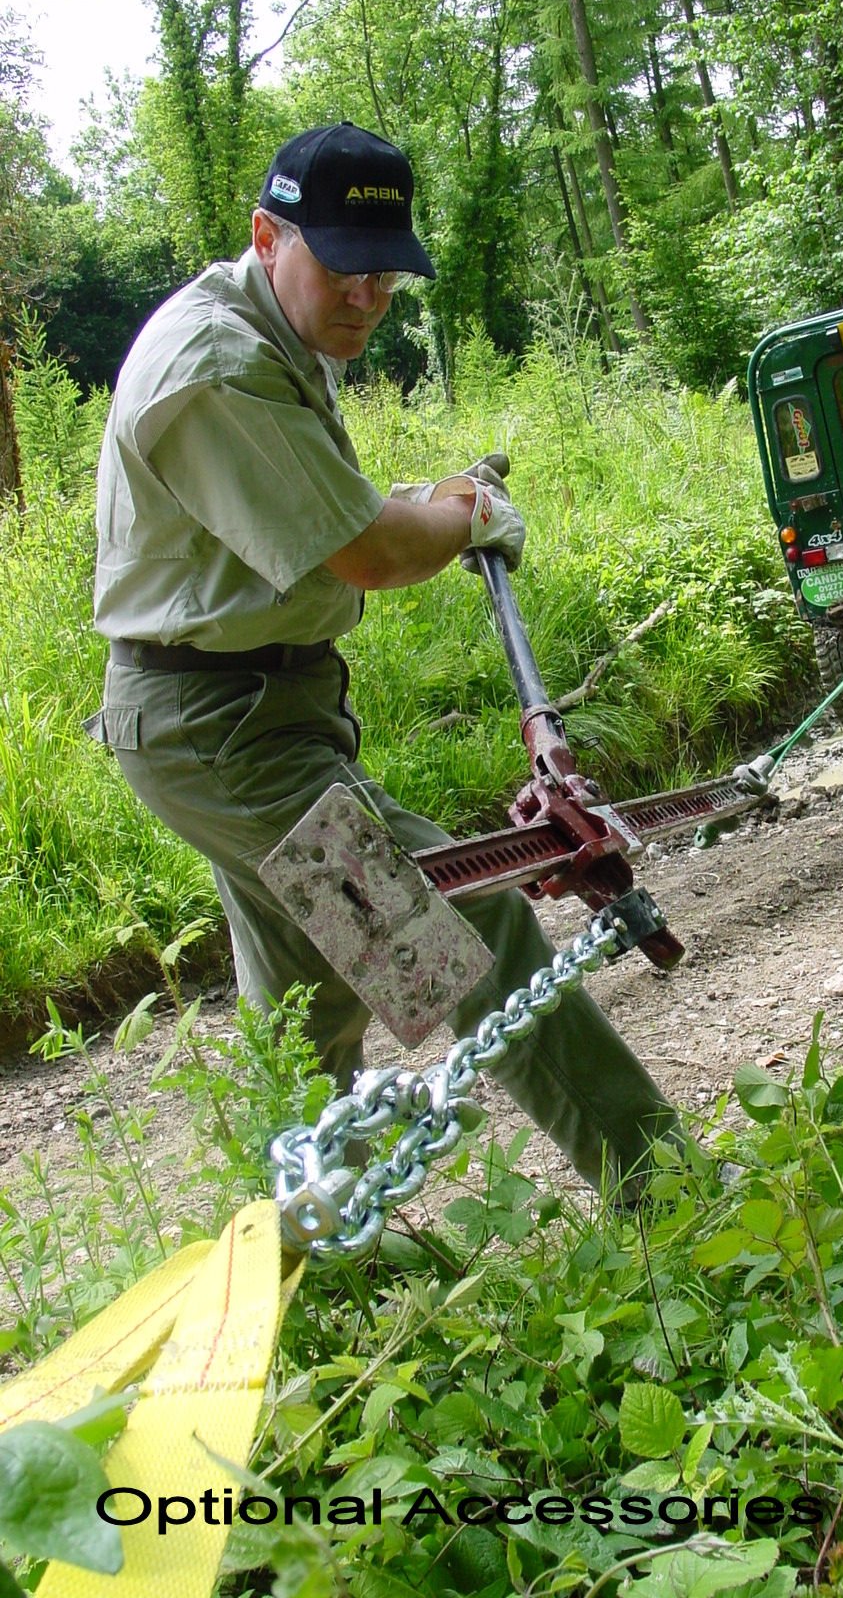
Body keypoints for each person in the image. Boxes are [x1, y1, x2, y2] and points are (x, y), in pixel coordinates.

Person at [87, 122, 681, 1206]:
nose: (367, 296)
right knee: (463, 919)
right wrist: (466, 518)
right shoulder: (218, 365)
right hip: (218, 729)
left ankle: (315, 1246)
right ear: (268, 236)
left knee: (306, 1007)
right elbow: (365, 551)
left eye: (387, 274)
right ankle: (664, 1187)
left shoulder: (273, 335)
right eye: (344, 268)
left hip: (255, 710)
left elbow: (319, 513)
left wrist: (435, 505)